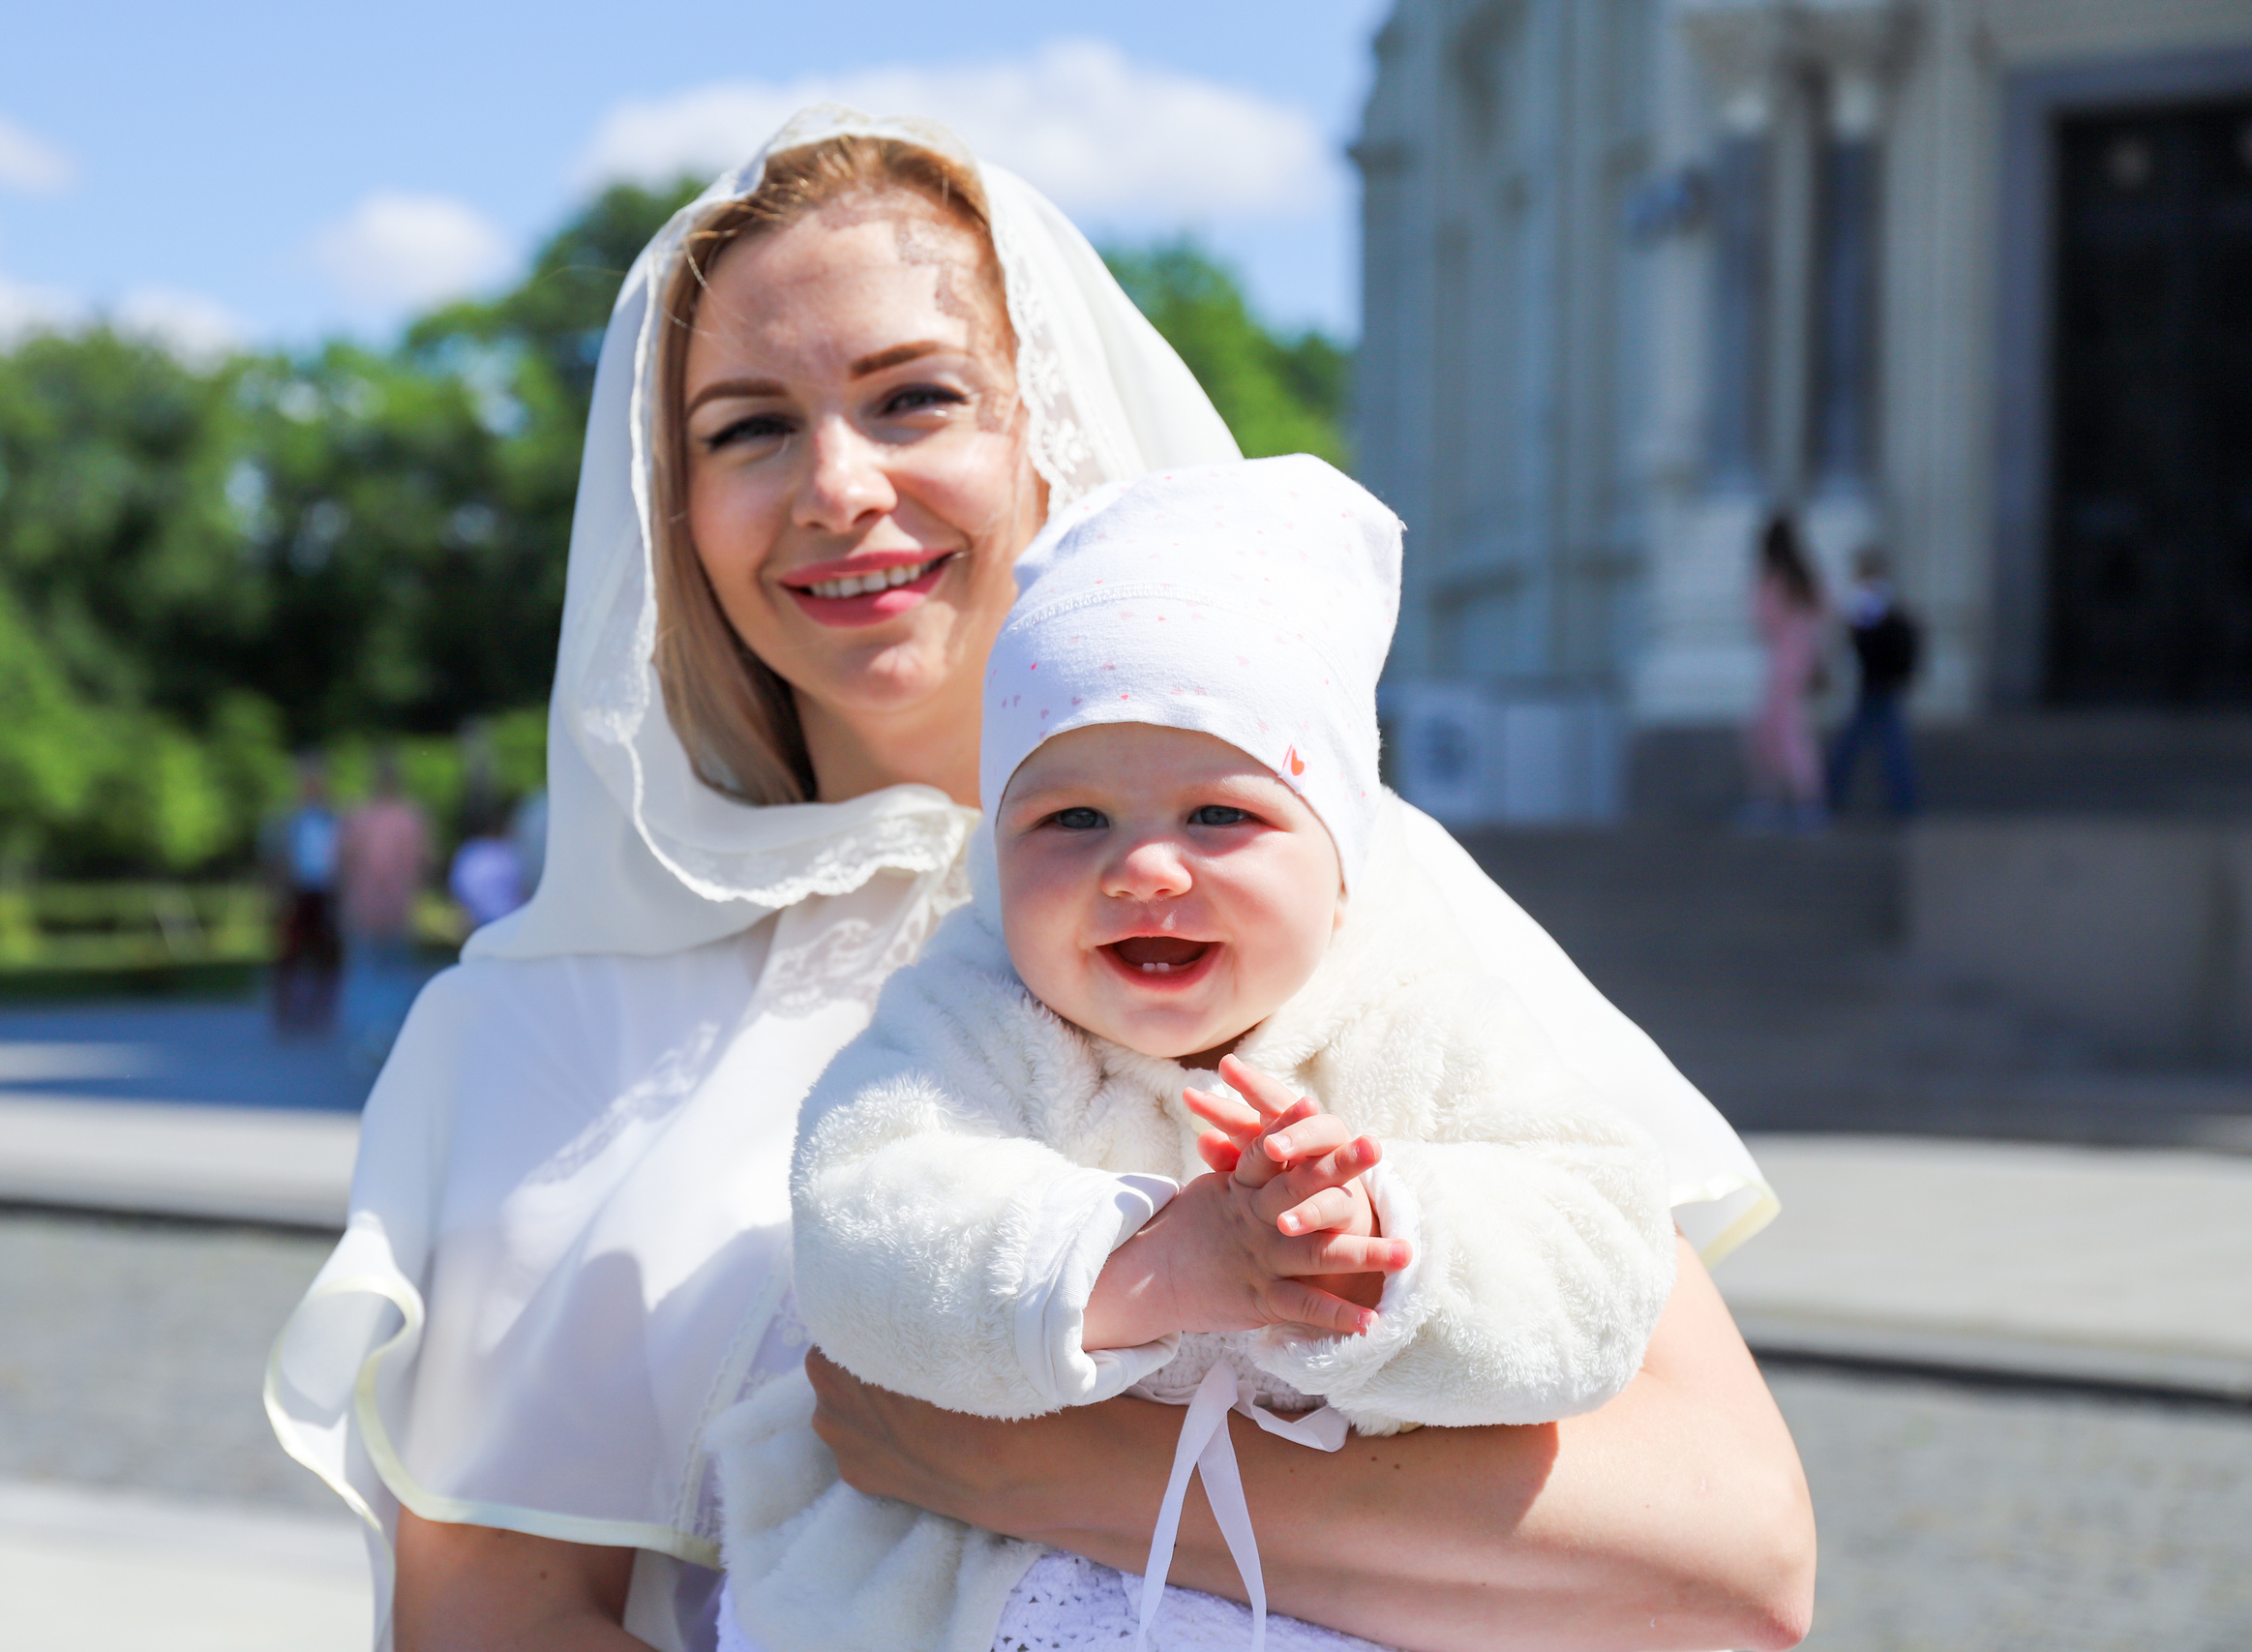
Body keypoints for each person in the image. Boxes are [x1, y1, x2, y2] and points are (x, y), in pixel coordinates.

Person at [264, 108, 1811, 1652]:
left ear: (1046, 423)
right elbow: (495, 1619)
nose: (837, 484)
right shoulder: (532, 1026)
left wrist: (1033, 1465)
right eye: (746, 427)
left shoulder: (1369, 904)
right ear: (671, 504)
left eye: (914, 397)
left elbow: (1735, 1562)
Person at [713, 457, 1679, 1652]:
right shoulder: (970, 1014)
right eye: (1070, 818)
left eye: (1221, 814)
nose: (1142, 869)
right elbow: (862, 1225)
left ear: (1342, 864)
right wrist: (1147, 1266)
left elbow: (1595, 1249)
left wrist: (1382, 1244)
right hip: (983, 1572)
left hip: (1351, 1582)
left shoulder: (1422, 1010)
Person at [338, 749, 431, 1065]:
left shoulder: (358, 816)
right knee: (394, 975)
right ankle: (387, 1037)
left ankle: (367, 1038)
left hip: (363, 908)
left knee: (365, 974)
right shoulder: (410, 817)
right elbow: (423, 863)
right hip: (396, 908)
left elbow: (342, 862)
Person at [1745, 514, 1829, 831]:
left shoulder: (1774, 577)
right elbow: (1822, 612)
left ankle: (1800, 800)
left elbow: (1762, 620)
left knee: (1783, 732)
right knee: (1775, 730)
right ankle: (1776, 798)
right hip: (1802, 656)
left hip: (1784, 660)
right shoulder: (1802, 574)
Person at [1824, 548, 1921, 819]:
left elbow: (1865, 637)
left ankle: (1832, 795)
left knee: (1863, 745)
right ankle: (1903, 803)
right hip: (1883, 681)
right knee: (1886, 745)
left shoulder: (1869, 599)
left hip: (1876, 681)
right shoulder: (1885, 597)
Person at [268, 755, 342, 1035]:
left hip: (325, 892)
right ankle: (286, 1014)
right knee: (290, 954)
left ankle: (319, 1014)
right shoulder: (286, 818)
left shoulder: (333, 817)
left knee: (326, 955)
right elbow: (275, 858)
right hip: (297, 892)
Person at [447, 796, 527, 934]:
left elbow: (458, 889)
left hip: (483, 923)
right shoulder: (507, 850)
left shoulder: (469, 853)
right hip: (509, 922)